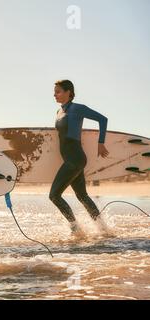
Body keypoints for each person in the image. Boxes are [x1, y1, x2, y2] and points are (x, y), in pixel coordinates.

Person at [50, 80, 110, 237]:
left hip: (75, 159)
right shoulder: (59, 112)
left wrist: (101, 142)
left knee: (54, 195)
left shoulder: (77, 109)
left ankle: (76, 229)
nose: (55, 94)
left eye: (58, 91)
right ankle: (103, 229)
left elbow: (103, 119)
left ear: (69, 92)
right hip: (71, 159)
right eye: (54, 91)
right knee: (82, 196)